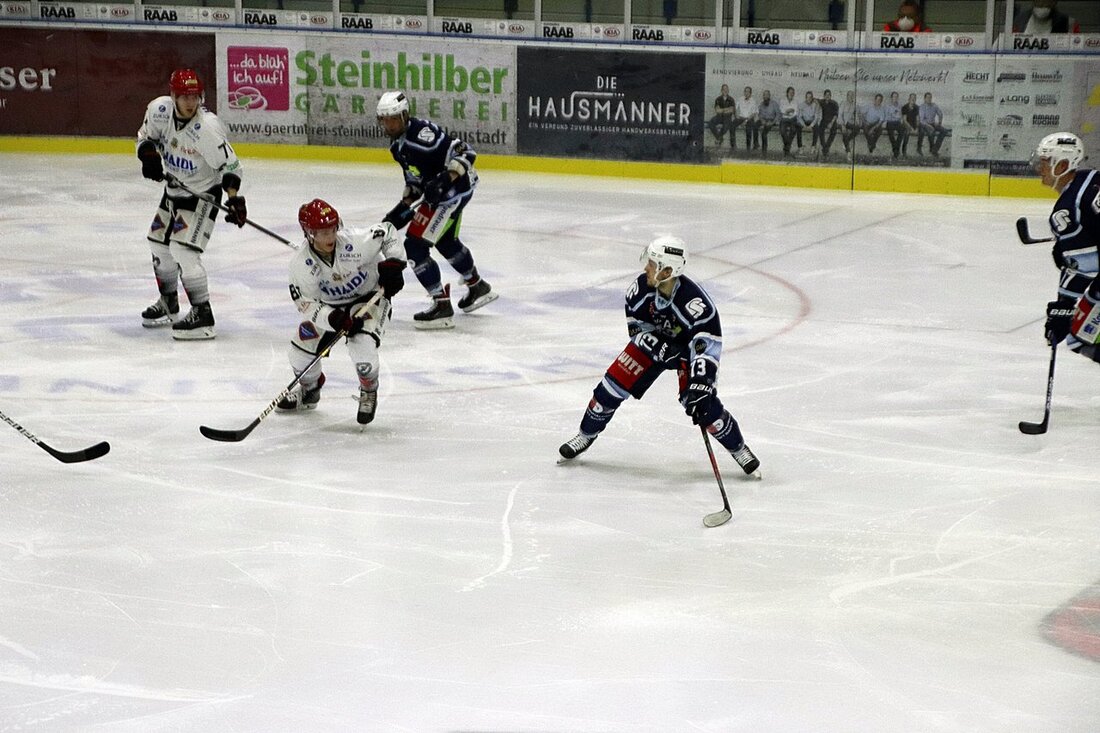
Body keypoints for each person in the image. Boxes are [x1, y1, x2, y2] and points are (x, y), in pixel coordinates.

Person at [558, 236, 761, 478]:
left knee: (702, 405)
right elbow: (637, 331)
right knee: (610, 387)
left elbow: (706, 347)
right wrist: (662, 349)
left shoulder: (696, 305)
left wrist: (701, 384)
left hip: (687, 352)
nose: (646, 268)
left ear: (667, 271)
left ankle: (739, 449)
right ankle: (585, 435)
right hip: (654, 346)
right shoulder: (639, 291)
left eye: (652, 264)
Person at [136, 68, 247, 340]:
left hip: (202, 194)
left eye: (195, 96)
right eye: (184, 96)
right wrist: (148, 154)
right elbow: (145, 137)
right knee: (158, 244)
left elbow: (231, 166)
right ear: (173, 95)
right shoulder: (159, 111)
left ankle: (203, 313)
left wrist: (233, 200)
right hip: (174, 189)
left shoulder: (206, 129)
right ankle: (169, 302)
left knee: (183, 251)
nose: (190, 102)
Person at [277, 199, 407, 424]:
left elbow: (388, 231)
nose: (329, 237)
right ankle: (310, 389)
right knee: (299, 352)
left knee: (362, 346)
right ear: (309, 233)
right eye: (322, 232)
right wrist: (333, 319)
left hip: (369, 299)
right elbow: (306, 304)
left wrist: (395, 263)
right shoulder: (301, 265)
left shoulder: (355, 242)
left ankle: (368, 390)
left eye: (332, 229)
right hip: (330, 308)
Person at [375, 90, 497, 330]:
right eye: (384, 120)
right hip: (443, 196)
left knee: (414, 245)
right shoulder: (397, 147)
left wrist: (445, 179)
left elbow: (466, 152)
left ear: (404, 115)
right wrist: (402, 208)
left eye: (393, 118)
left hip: (454, 192)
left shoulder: (422, 134)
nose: (389, 124)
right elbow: (415, 182)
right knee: (445, 240)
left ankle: (441, 305)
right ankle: (477, 286)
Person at [1033, 133, 1100, 363]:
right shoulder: (1090, 178)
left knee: (1081, 335)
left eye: (1044, 162)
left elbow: (1086, 267)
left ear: (1062, 165)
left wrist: (1063, 308)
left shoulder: (1066, 210)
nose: (1039, 168)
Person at [1013, 0, 1080, 34]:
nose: (1043, 3)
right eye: (1039, 1)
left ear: (1054, 2)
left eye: (1046, 1)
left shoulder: (1069, 23)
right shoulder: (1019, 21)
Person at [917, 92, 948, 158]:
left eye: (930, 97)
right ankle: (931, 149)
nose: (929, 99)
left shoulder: (934, 105)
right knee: (931, 131)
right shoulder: (922, 107)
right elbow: (922, 120)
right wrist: (929, 126)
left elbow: (940, 113)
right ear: (924, 99)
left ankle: (934, 150)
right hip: (924, 124)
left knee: (944, 131)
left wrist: (939, 122)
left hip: (933, 123)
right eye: (927, 97)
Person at [734, 86, 760, 152]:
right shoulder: (740, 99)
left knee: (749, 129)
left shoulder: (753, 101)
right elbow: (735, 108)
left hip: (749, 118)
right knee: (731, 125)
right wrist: (736, 115)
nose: (746, 93)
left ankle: (748, 148)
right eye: (745, 91)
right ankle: (733, 145)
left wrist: (746, 121)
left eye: (748, 92)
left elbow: (754, 114)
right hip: (741, 117)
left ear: (750, 93)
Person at [756, 89, 782, 156]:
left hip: (772, 121)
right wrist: (762, 120)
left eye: (767, 95)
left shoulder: (774, 103)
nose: (765, 96)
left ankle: (764, 151)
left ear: (769, 96)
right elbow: (760, 115)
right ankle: (756, 144)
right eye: (764, 95)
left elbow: (778, 114)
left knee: (764, 133)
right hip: (764, 120)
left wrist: (772, 122)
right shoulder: (761, 104)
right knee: (754, 125)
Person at [816, 89, 840, 159]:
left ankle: (826, 147)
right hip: (824, 120)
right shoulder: (822, 102)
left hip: (832, 121)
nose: (827, 96)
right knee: (820, 130)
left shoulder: (834, 103)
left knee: (833, 131)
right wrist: (815, 101)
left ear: (830, 96)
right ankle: (825, 147)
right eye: (826, 95)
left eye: (828, 95)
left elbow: (836, 115)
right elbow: (816, 99)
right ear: (824, 96)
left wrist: (831, 123)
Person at [839, 90, 862, 159]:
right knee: (844, 132)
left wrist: (858, 123)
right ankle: (848, 152)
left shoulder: (855, 105)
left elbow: (857, 115)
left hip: (849, 123)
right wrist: (842, 125)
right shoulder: (843, 103)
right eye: (849, 95)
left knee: (857, 129)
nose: (851, 97)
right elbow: (840, 115)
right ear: (847, 96)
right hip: (841, 122)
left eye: (852, 95)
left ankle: (846, 141)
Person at [796, 91, 819, 155]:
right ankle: (800, 147)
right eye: (807, 97)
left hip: (811, 121)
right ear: (805, 98)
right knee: (798, 126)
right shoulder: (801, 105)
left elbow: (816, 117)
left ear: (812, 98)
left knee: (816, 127)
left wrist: (811, 126)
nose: (809, 99)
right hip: (804, 121)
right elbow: (799, 117)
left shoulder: (815, 105)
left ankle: (813, 147)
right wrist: (804, 125)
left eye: (810, 97)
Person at [778, 87, 799, 158]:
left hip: (792, 119)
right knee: (782, 131)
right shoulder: (782, 100)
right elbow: (781, 110)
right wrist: (788, 111)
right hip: (784, 118)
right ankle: (787, 148)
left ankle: (786, 149)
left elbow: (796, 111)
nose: (791, 94)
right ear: (787, 93)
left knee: (793, 130)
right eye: (790, 92)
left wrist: (789, 111)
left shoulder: (795, 101)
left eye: (793, 92)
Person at [884, 91, 904, 159]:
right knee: (891, 134)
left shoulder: (900, 105)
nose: (895, 98)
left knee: (902, 131)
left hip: (897, 122)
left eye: (896, 96)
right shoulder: (887, 106)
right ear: (891, 98)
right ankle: (896, 150)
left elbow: (900, 116)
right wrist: (895, 115)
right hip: (890, 122)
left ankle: (895, 148)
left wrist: (894, 115)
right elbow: (887, 116)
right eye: (894, 97)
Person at [900, 92, 921, 157]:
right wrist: (911, 128)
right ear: (909, 99)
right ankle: (904, 150)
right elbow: (904, 120)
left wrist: (917, 128)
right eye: (912, 98)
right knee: (907, 132)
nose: (913, 99)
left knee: (922, 131)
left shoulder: (917, 107)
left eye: (914, 98)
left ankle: (919, 149)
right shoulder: (904, 107)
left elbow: (917, 119)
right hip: (906, 123)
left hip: (913, 123)